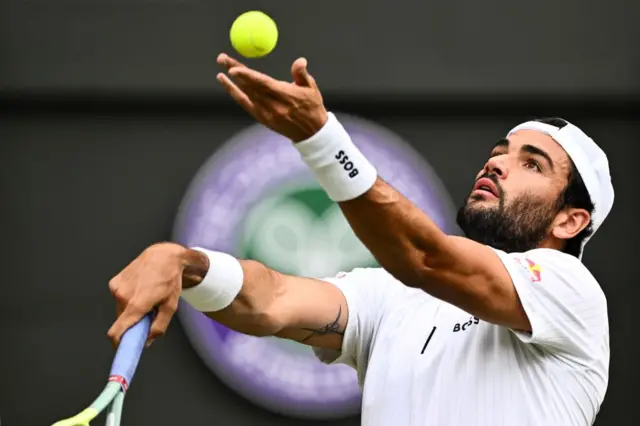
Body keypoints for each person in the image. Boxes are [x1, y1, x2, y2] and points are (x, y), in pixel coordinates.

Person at [107, 54, 614, 426]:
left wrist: (321, 140)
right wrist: (187, 264)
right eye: (500, 150)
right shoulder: (395, 299)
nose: (498, 161)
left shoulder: (570, 292)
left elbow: (425, 256)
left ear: (569, 222)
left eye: (532, 163)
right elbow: (270, 301)